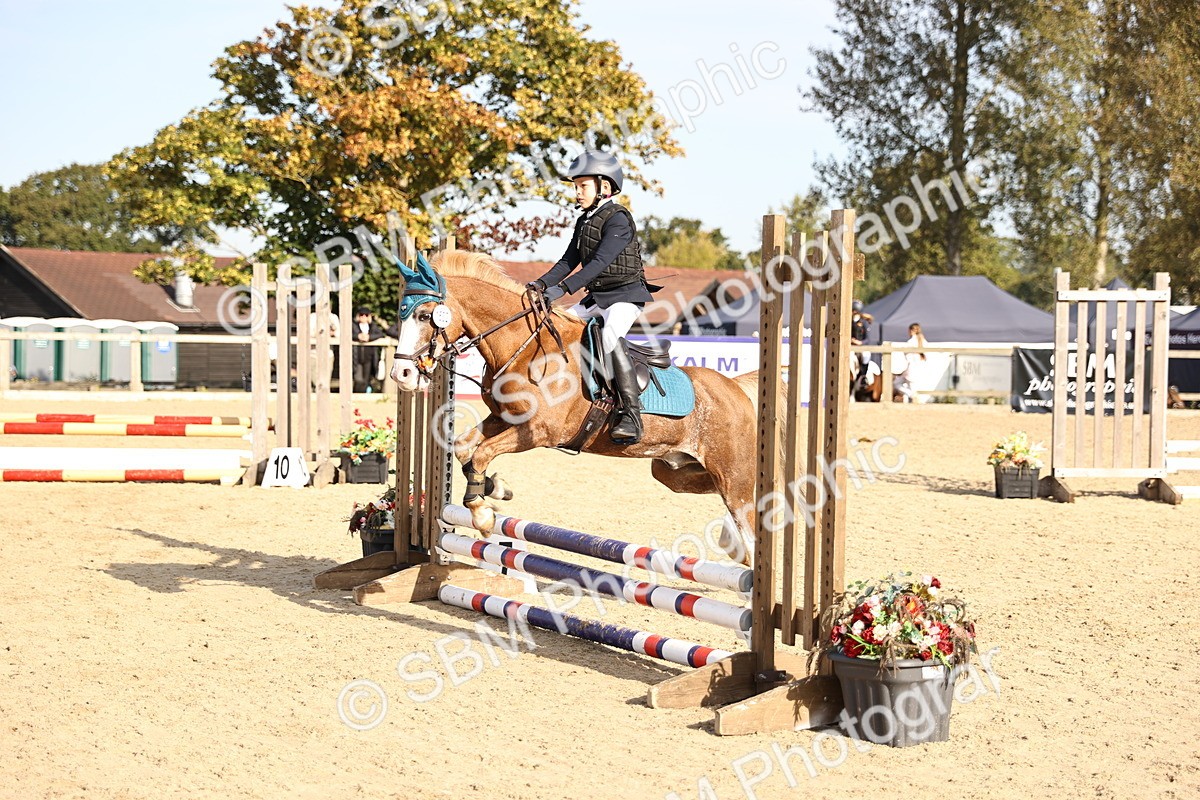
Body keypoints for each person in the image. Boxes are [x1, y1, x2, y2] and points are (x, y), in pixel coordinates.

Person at [526, 149, 656, 445]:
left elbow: (599, 263)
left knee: (610, 336)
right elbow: (568, 260)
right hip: (597, 298)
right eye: (576, 186)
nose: (577, 192)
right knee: (558, 324)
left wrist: (565, 289)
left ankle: (630, 414)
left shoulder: (619, 219)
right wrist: (541, 285)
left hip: (624, 297)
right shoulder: (585, 220)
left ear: (605, 187)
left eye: (583, 186)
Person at [351, 306, 386, 393]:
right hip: (357, 357)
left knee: (366, 379)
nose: (363, 317)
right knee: (358, 379)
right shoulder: (353, 325)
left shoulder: (372, 326)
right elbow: (347, 334)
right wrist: (358, 336)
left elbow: (381, 334)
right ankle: (357, 394)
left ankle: (363, 396)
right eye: (361, 315)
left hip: (369, 357)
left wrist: (369, 337)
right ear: (358, 316)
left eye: (366, 315)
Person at [893, 322, 927, 403]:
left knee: (900, 385)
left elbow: (906, 354)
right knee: (900, 384)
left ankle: (913, 397)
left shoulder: (911, 341)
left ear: (911, 331)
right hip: (917, 367)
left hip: (911, 367)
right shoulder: (923, 340)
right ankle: (911, 396)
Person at [850, 299, 874, 391]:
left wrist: (860, 343)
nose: (853, 312)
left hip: (861, 346)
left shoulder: (864, 322)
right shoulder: (849, 321)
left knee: (866, 355)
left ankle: (863, 376)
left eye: (854, 311)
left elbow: (868, 339)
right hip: (850, 347)